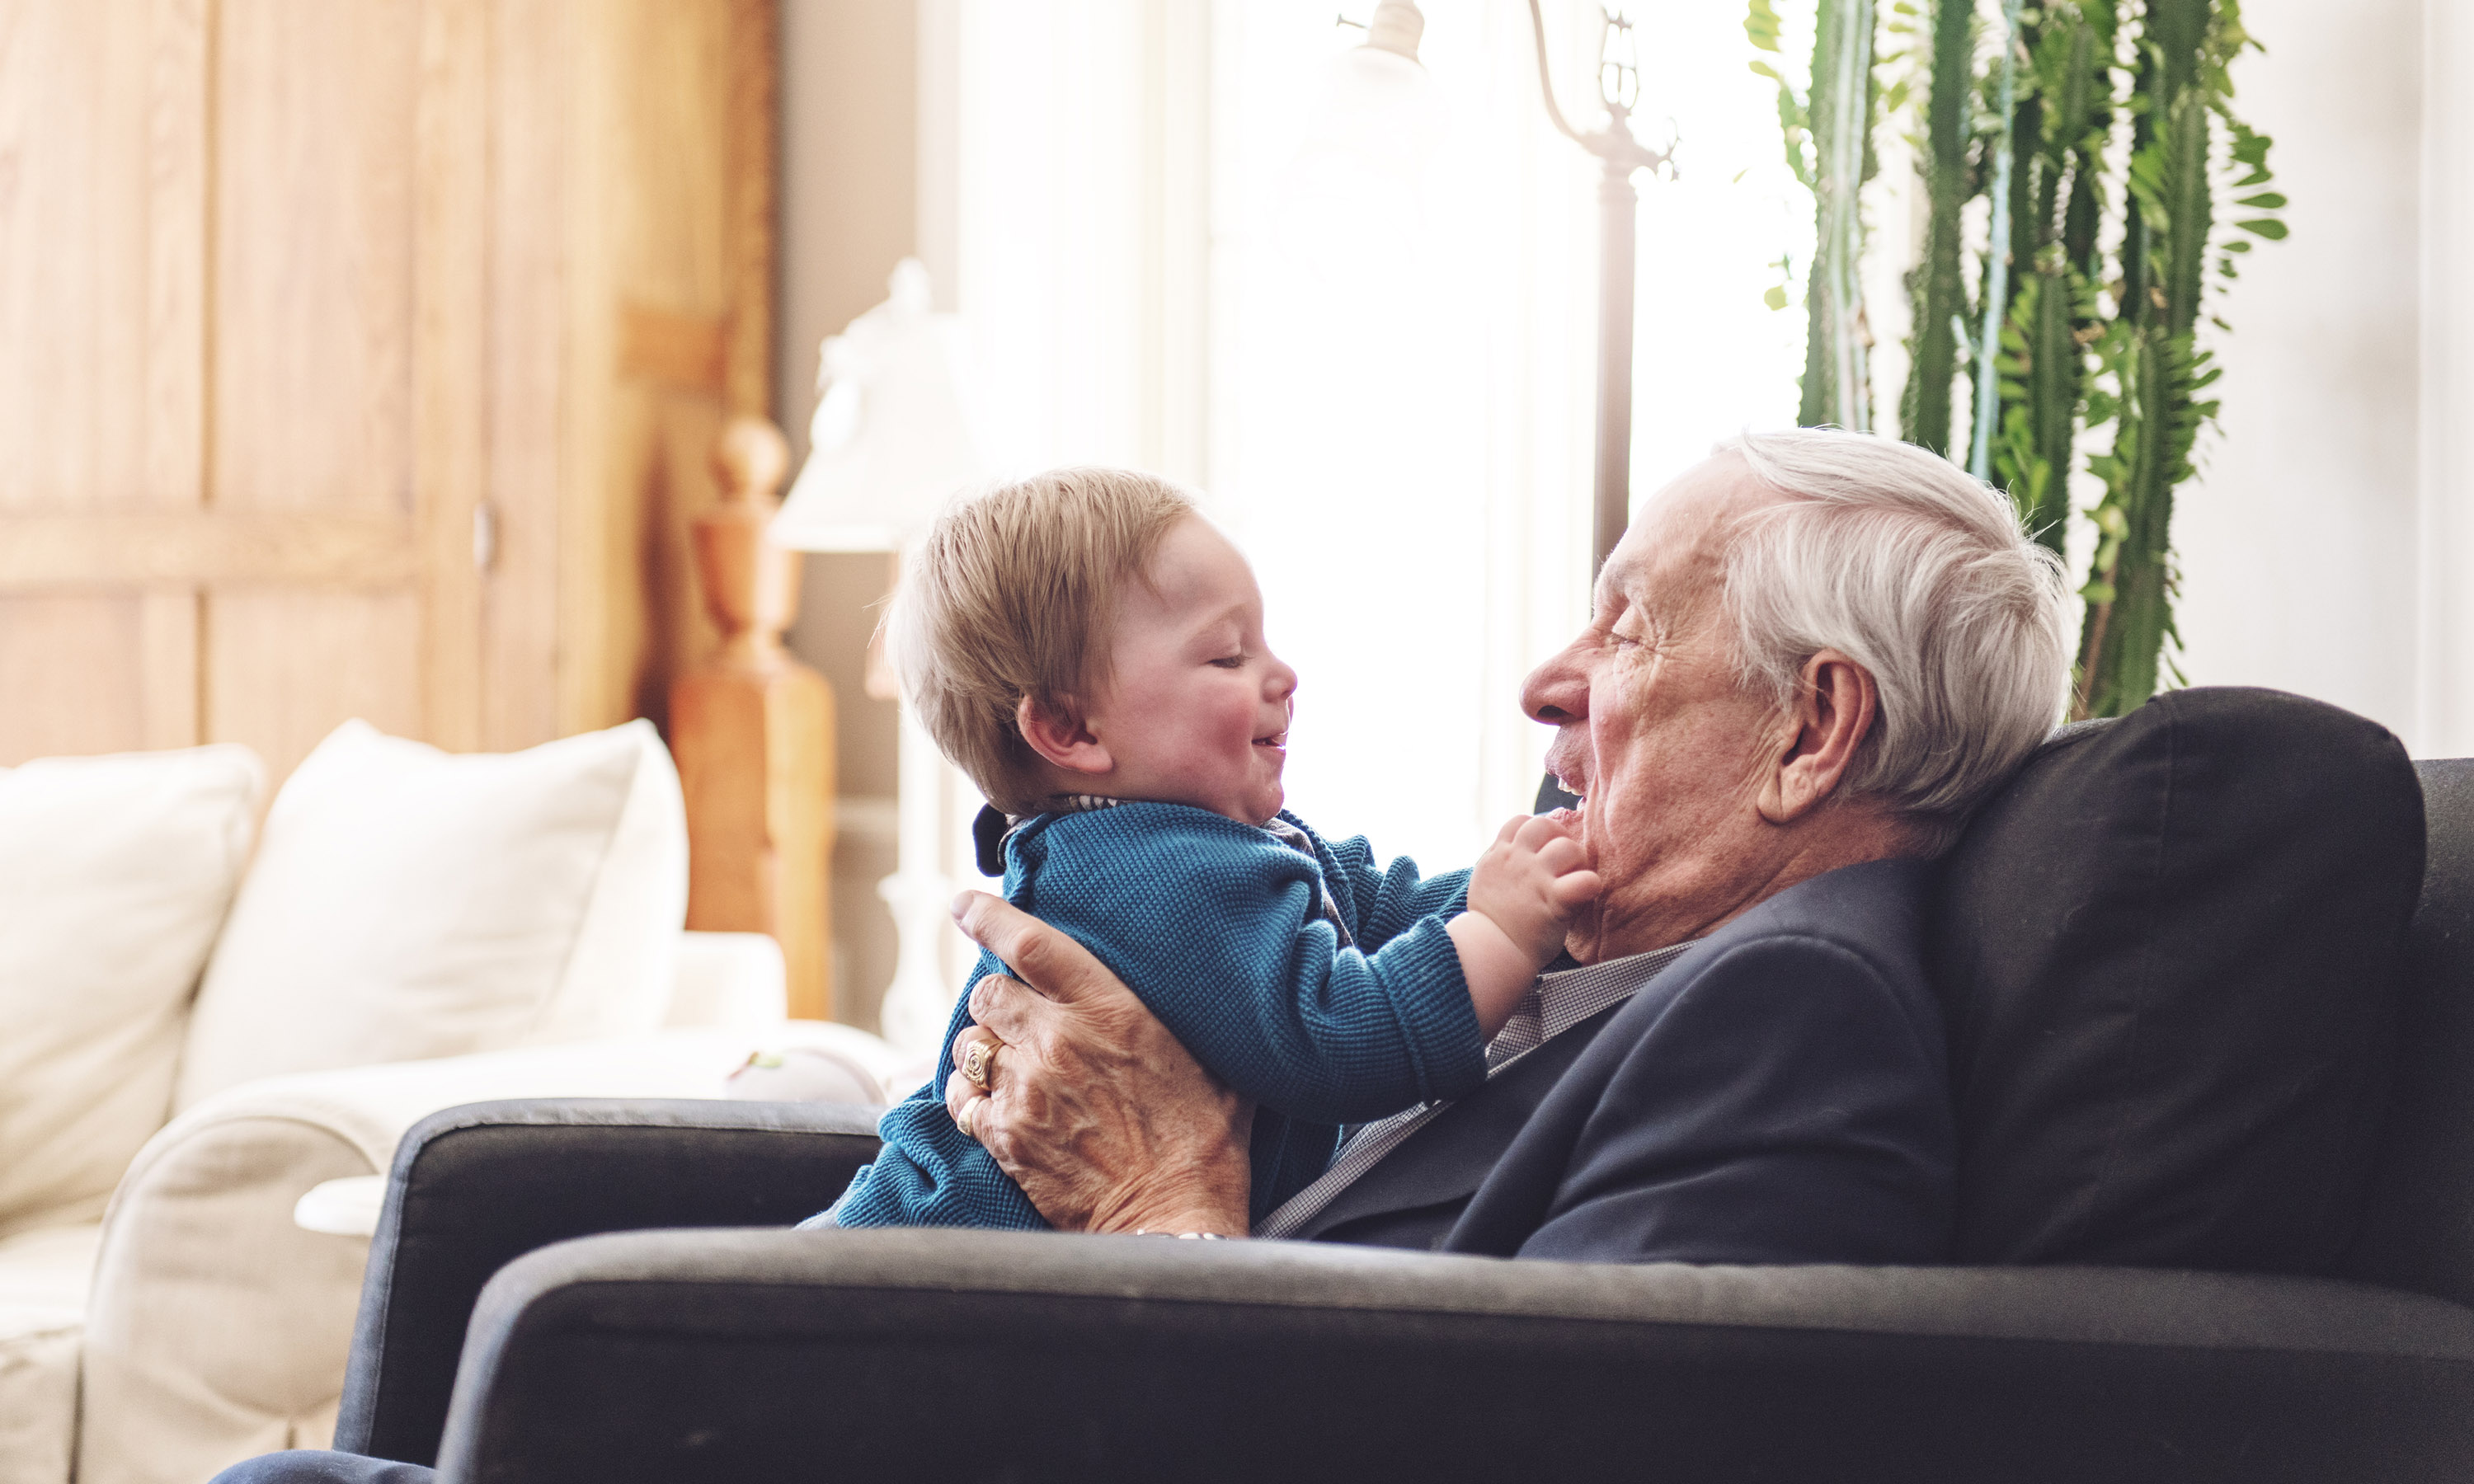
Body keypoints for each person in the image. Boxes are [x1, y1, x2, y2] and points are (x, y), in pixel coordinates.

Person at [210, 426, 2072, 1484]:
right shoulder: (1622, 940)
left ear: (1813, 730)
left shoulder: (1793, 1022)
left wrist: (1164, 1217)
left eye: (1626, 627)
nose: (1543, 683)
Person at [830, 467, 1597, 1230]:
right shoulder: (1148, 879)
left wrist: (1536, 875)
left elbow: (1376, 908)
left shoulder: (1212, 847)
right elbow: (1341, 1040)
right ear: (1070, 730)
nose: (1284, 675)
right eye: (1229, 656)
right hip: (911, 1273)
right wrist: (1502, 929)